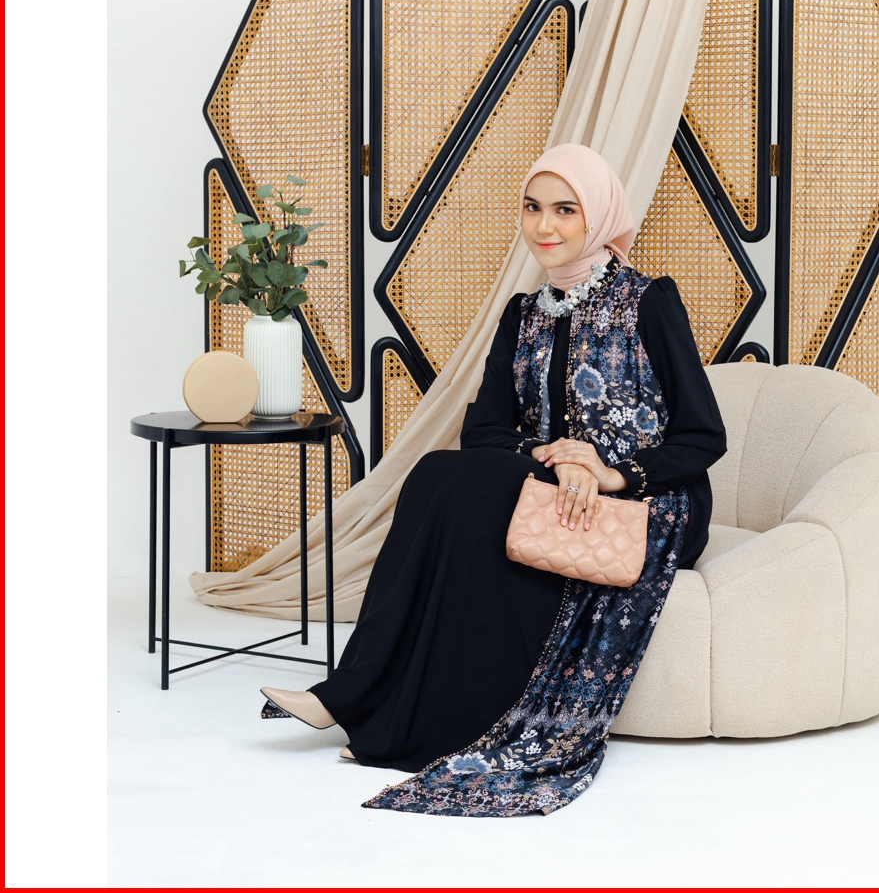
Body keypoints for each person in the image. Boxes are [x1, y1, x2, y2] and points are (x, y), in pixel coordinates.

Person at [260, 143, 728, 816]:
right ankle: (355, 695)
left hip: (653, 501)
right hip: (553, 487)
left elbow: (703, 436)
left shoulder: (649, 301)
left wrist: (610, 473)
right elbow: (485, 431)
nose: (545, 226)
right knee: (436, 474)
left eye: (565, 210)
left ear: (598, 215)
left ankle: (366, 700)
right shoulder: (523, 312)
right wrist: (560, 459)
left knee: (473, 488)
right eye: (533, 208)